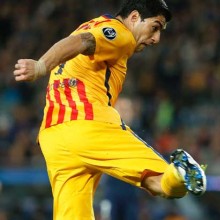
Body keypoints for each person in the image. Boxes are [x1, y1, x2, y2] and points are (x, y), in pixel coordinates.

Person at [13, 0, 207, 219]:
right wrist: (41, 65)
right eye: (154, 27)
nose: (156, 39)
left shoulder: (90, 24)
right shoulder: (120, 33)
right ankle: (182, 175)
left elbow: (79, 39)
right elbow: (83, 42)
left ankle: (179, 178)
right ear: (134, 17)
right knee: (161, 180)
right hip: (88, 125)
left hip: (54, 137)